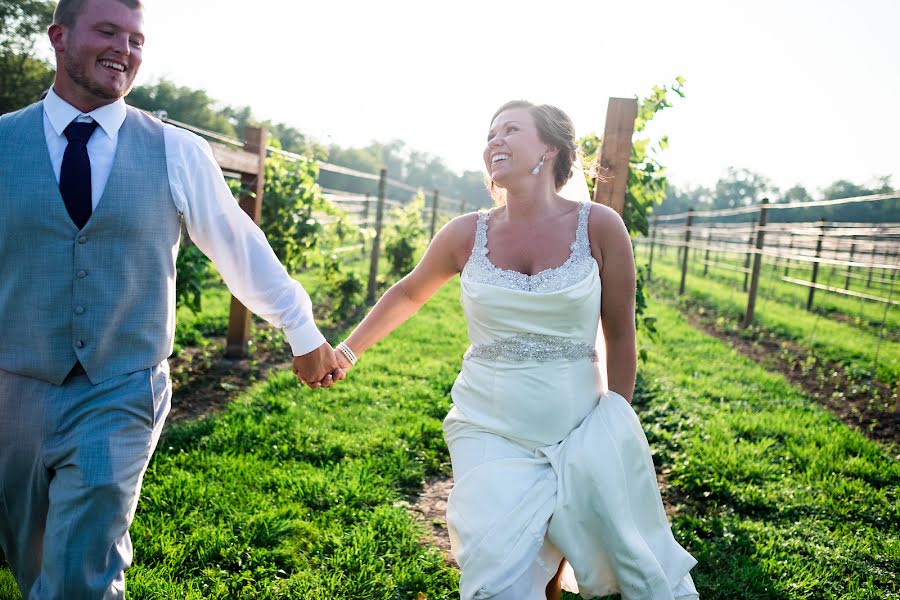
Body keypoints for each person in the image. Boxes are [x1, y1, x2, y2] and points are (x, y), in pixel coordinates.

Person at [0, 0, 343, 597]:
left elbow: (240, 246)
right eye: (107, 31)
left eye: (136, 39)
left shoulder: (175, 151)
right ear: (57, 37)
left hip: (121, 386)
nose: (124, 50)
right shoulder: (2, 143)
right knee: (29, 558)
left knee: (83, 567)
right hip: (12, 388)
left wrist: (301, 328)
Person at [331, 100, 699, 599]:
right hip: (488, 425)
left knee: (561, 564)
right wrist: (346, 352)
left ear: (549, 149)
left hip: (576, 427)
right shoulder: (465, 233)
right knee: (495, 573)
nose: (494, 141)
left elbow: (619, 331)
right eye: (490, 134)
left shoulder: (601, 227)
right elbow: (409, 292)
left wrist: (616, 423)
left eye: (510, 129)